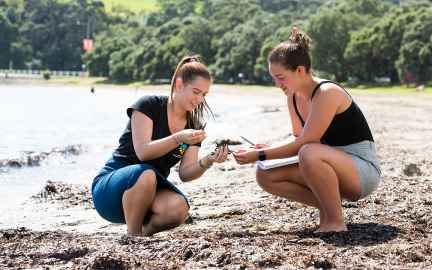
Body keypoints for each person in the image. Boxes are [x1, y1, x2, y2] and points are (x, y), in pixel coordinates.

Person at [233, 28, 381, 232]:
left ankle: (335, 222)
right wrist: (268, 150)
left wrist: (260, 154)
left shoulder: (327, 93)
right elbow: (298, 138)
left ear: (300, 70)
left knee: (309, 152)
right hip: (329, 162)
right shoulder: (293, 98)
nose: (277, 84)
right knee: (265, 174)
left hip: (362, 170)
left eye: (281, 77)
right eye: (274, 78)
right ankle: (329, 208)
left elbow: (306, 143)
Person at [91, 55, 229, 236]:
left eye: (204, 94)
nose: (200, 99)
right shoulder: (148, 106)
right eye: (196, 92)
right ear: (179, 85)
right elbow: (143, 152)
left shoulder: (193, 126)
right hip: (110, 192)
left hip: (149, 193)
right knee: (146, 173)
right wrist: (179, 138)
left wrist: (207, 161)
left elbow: (186, 173)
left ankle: (143, 232)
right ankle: (132, 236)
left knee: (179, 207)